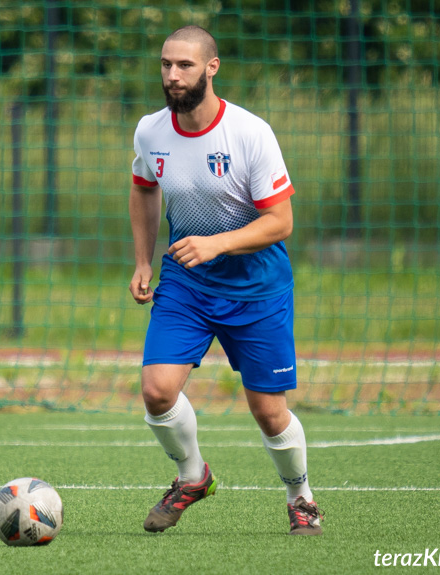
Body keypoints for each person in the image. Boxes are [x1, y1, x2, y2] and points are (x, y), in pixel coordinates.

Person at [128, 25, 324, 536]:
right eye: (166, 64)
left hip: (257, 288)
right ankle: (193, 477)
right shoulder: (150, 131)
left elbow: (281, 222)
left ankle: (300, 497)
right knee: (156, 390)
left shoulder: (248, 132)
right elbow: (144, 188)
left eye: (185, 65)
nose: (173, 74)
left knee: (268, 412)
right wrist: (144, 260)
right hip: (187, 284)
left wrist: (216, 243)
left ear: (211, 68)